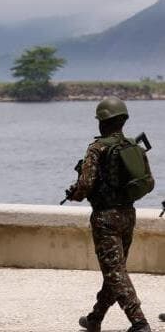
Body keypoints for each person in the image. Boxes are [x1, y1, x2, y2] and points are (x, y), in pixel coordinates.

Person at [67, 97, 154, 332]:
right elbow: (149, 181)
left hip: (105, 218)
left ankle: (139, 322)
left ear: (102, 121)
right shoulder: (133, 146)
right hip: (128, 214)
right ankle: (95, 319)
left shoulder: (97, 148)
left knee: (115, 271)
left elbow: (85, 184)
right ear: (122, 120)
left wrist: (75, 194)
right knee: (115, 270)